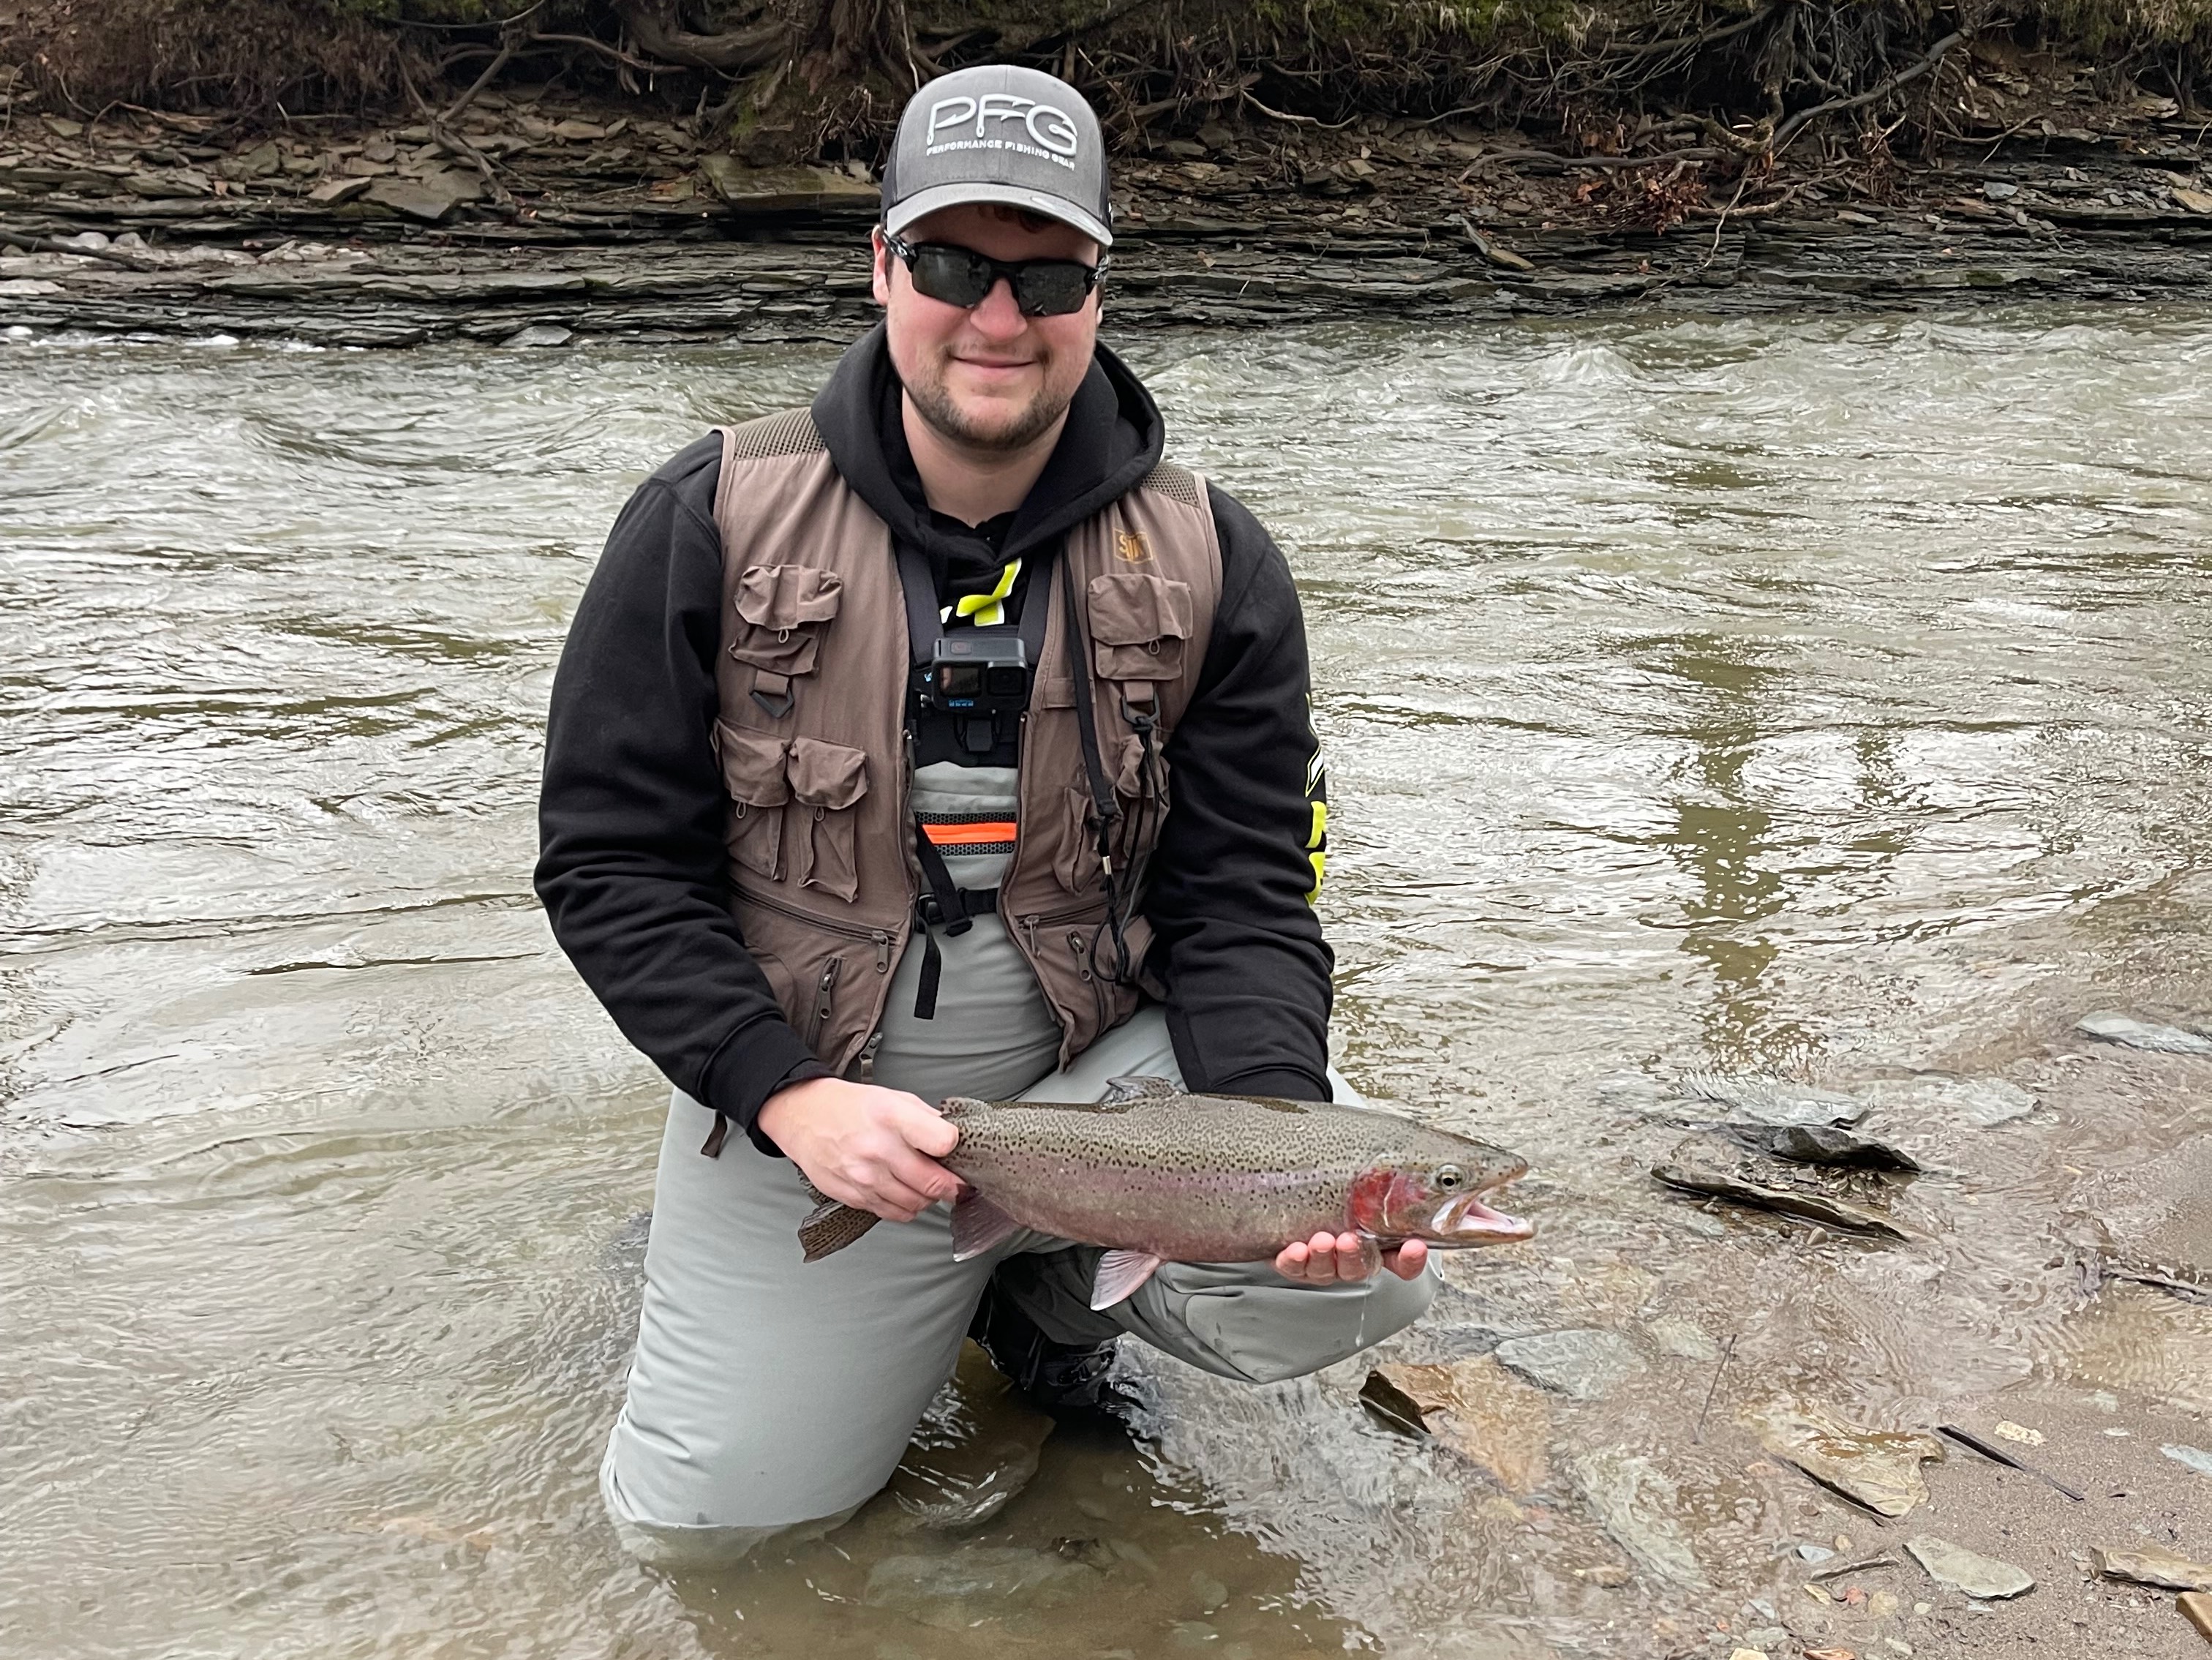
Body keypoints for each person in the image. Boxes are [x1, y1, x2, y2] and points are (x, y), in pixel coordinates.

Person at [535, 63, 1434, 1567]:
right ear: (881, 264)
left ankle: (1039, 1268)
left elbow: (1249, 900)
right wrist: (781, 1095)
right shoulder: (704, 518)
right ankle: (967, 1263)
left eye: (1046, 272)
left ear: (1100, 285)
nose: (998, 317)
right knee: (711, 1538)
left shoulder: (1220, 561)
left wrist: (1274, 1139)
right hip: (835, 1102)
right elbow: (609, 866)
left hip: (1109, 1072)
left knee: (1357, 1262)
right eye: (953, 265)